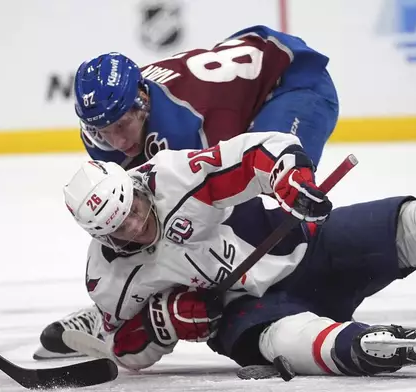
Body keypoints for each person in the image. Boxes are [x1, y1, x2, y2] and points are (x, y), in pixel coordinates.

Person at [61, 130, 416, 376]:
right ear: (100, 237)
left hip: (311, 245)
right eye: (121, 231)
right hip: (247, 313)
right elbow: (125, 349)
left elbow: (258, 151)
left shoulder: (172, 175)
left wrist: (289, 178)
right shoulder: (108, 279)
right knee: (283, 340)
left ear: (131, 184)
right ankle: (365, 349)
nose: (137, 223)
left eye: (133, 207)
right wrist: (164, 322)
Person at [33, 24, 339, 360]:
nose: (117, 142)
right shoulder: (105, 136)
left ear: (142, 101)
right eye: (102, 132)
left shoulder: (189, 121)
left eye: (122, 126)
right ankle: (113, 311)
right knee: (137, 217)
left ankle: (296, 288)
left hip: (291, 83)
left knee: (266, 195)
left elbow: (230, 184)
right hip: (243, 74)